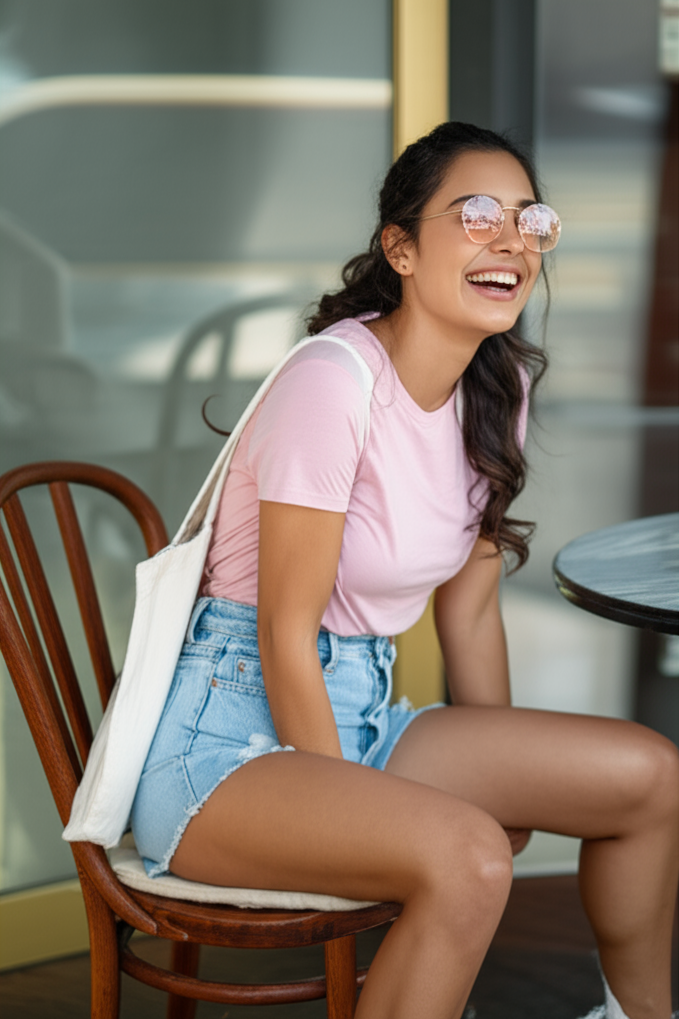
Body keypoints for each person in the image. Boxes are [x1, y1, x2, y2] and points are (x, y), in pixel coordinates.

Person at [130, 122, 679, 1019]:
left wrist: (508, 770)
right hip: (223, 750)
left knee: (648, 775)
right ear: (401, 247)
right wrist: (367, 804)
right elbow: (282, 633)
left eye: (528, 219)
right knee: (468, 855)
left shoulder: (495, 389)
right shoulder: (332, 380)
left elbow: (466, 615)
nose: (510, 239)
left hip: (363, 716)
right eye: (474, 215)